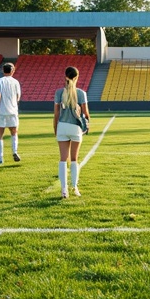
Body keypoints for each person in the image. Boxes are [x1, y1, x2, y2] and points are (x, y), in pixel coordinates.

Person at [53, 65, 90, 199]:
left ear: (65, 76)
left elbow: (56, 114)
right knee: (74, 159)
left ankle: (64, 190)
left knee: (63, 159)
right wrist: (87, 125)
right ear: (76, 77)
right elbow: (86, 114)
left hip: (62, 126)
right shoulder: (81, 93)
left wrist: (55, 130)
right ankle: (74, 187)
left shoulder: (59, 92)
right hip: (75, 128)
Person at [0, 62, 22, 164]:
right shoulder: (16, 82)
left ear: (3, 70)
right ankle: (15, 151)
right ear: (13, 71)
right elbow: (18, 97)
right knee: (14, 132)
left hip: (1, 112)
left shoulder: (0, 81)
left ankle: (0, 158)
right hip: (13, 111)